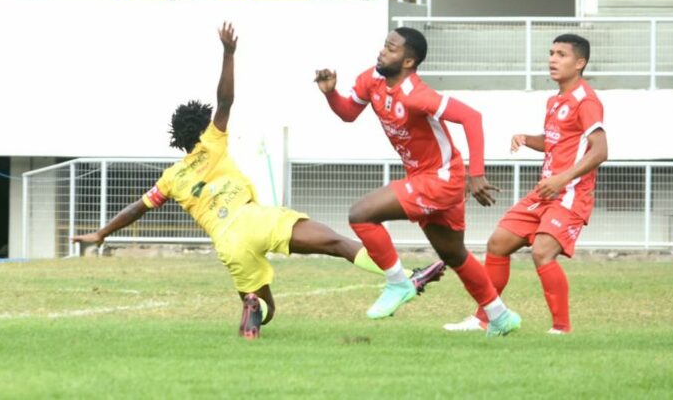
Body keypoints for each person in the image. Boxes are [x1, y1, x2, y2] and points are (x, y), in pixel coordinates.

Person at [71, 22, 445, 340]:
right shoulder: (211, 142)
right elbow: (225, 101)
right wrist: (228, 53)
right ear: (201, 127)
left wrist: (102, 233)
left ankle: (252, 304)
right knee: (338, 244)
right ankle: (405, 278)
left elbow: (137, 208)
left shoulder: (171, 178)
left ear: (177, 138)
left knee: (266, 308)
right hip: (256, 219)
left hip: (227, 242)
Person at [315, 27, 521, 337]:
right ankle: (500, 316)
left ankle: (399, 283)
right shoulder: (371, 79)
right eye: (384, 45)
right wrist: (331, 93)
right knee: (454, 255)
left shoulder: (417, 94)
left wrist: (476, 173)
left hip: (440, 179)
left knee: (361, 214)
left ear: (408, 61)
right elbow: (348, 113)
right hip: (428, 178)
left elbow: (472, 117)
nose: (382, 52)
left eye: (391, 49)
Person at [443, 33, 607, 335]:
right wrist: (528, 139)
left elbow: (600, 150)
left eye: (561, 55)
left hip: (570, 194)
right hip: (545, 191)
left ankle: (561, 329)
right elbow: (557, 142)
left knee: (542, 252)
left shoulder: (586, 101)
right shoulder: (555, 100)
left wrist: (563, 178)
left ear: (580, 63)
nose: (552, 59)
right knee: (498, 243)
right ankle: (485, 318)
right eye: (551, 53)